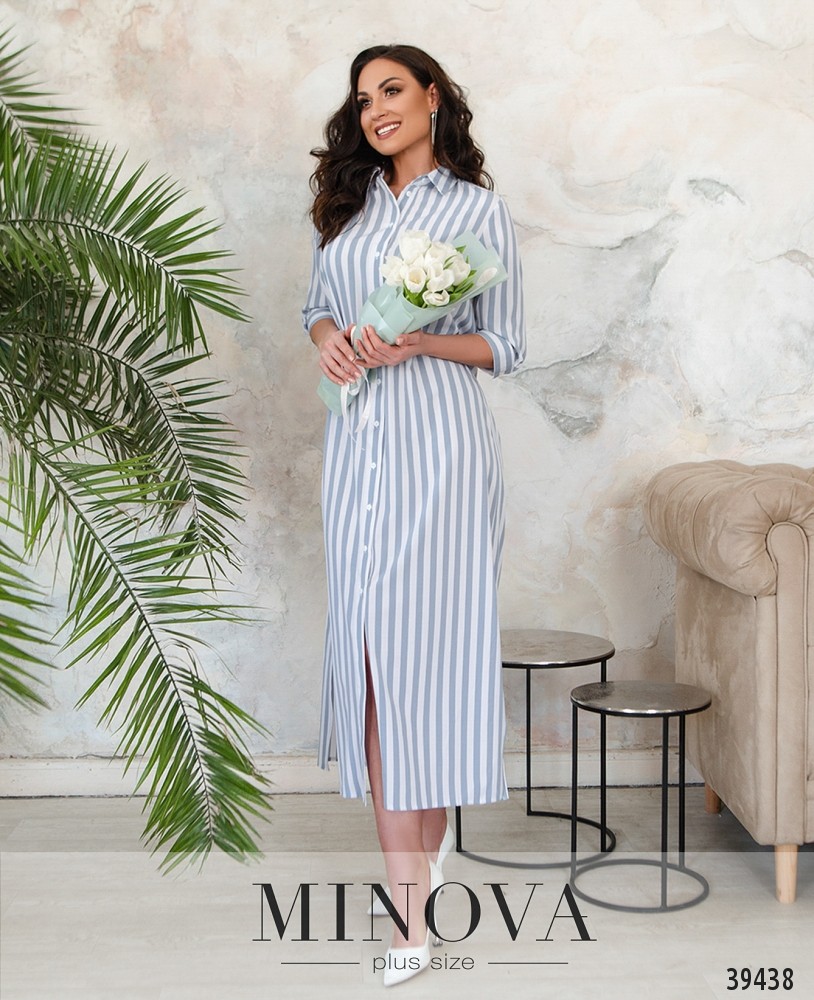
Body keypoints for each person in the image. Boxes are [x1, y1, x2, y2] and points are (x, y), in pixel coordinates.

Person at [303, 44, 525, 987]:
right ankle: (418, 884)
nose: (375, 110)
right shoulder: (349, 207)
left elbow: (505, 345)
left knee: (419, 669)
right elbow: (316, 308)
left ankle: (408, 922)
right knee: (371, 666)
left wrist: (418, 342)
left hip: (440, 463)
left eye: (391, 91)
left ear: (433, 98)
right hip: (355, 455)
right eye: (363, 99)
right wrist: (332, 342)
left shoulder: (477, 211)